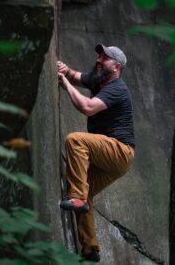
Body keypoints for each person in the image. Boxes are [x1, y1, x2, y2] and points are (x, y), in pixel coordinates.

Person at [57, 44, 135, 263]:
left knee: (76, 140)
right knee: (85, 191)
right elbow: (74, 76)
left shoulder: (117, 88)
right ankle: (90, 249)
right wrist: (64, 70)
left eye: (105, 58)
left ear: (117, 67)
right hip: (113, 158)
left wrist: (63, 83)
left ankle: (79, 198)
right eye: (99, 55)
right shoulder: (98, 80)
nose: (99, 59)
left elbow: (87, 107)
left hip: (120, 151)